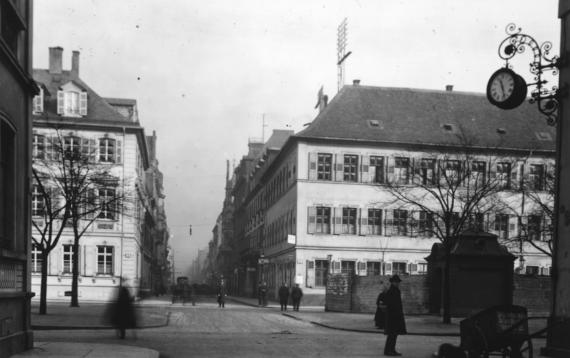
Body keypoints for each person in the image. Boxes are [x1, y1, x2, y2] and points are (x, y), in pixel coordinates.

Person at [383, 275, 406, 356]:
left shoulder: (395, 290)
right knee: (392, 335)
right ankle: (389, 351)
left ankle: (391, 350)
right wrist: (396, 314)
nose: (397, 283)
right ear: (392, 282)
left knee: (393, 334)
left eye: (398, 282)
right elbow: (390, 304)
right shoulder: (392, 291)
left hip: (395, 316)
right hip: (393, 316)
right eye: (396, 282)